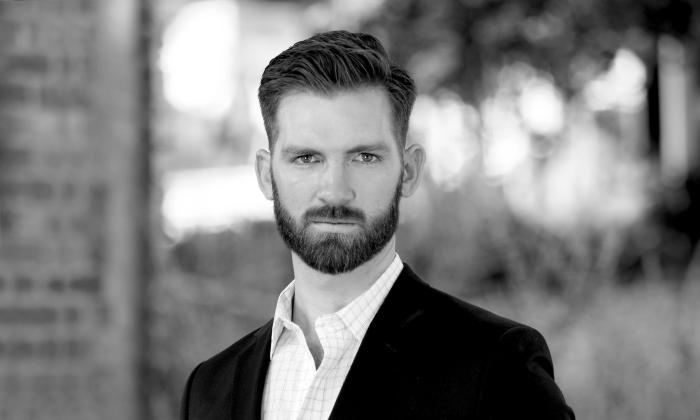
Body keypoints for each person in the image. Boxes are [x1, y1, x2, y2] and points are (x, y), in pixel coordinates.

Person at [180, 30, 575, 420]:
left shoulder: (498, 368)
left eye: (364, 157)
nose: (334, 191)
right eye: (306, 158)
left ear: (408, 171)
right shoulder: (210, 387)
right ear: (267, 176)